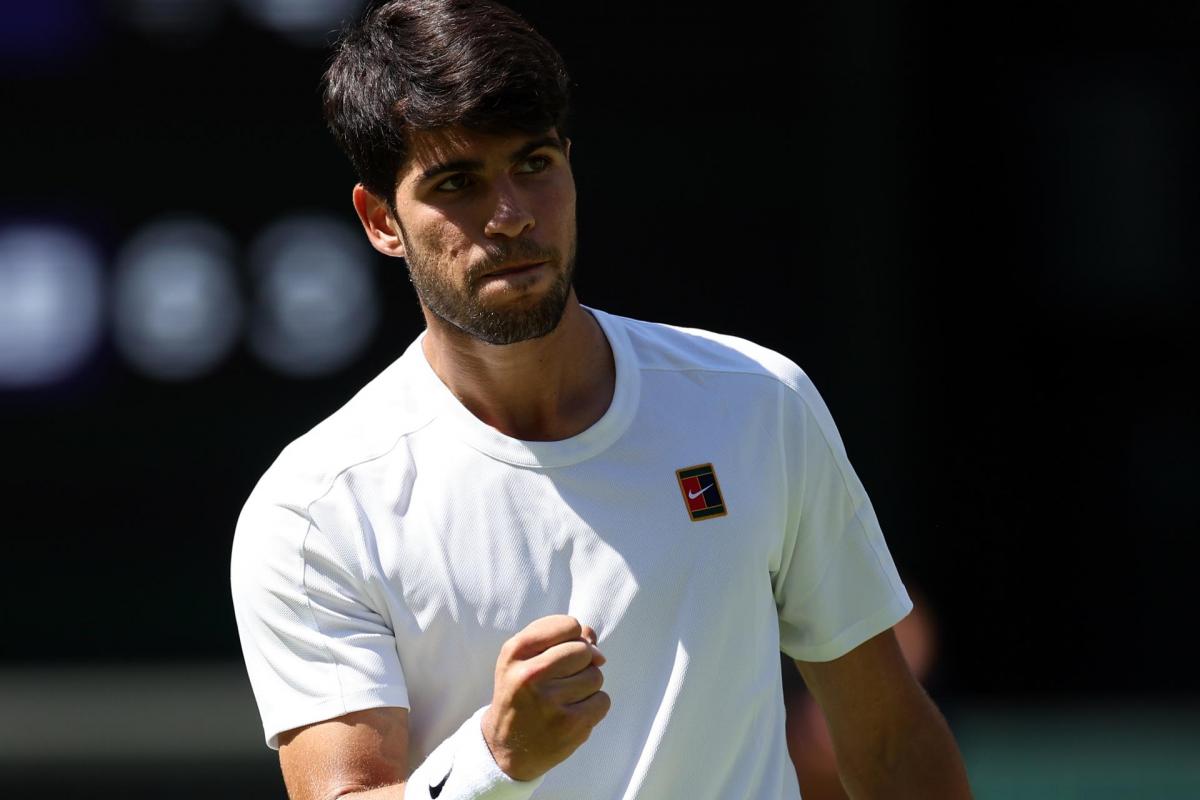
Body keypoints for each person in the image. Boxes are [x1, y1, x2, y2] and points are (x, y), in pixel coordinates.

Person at [229, 1, 973, 798]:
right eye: (458, 182)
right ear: (380, 220)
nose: (511, 216)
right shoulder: (314, 508)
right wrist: (494, 758)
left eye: (534, 164)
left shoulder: (758, 403)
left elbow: (890, 742)